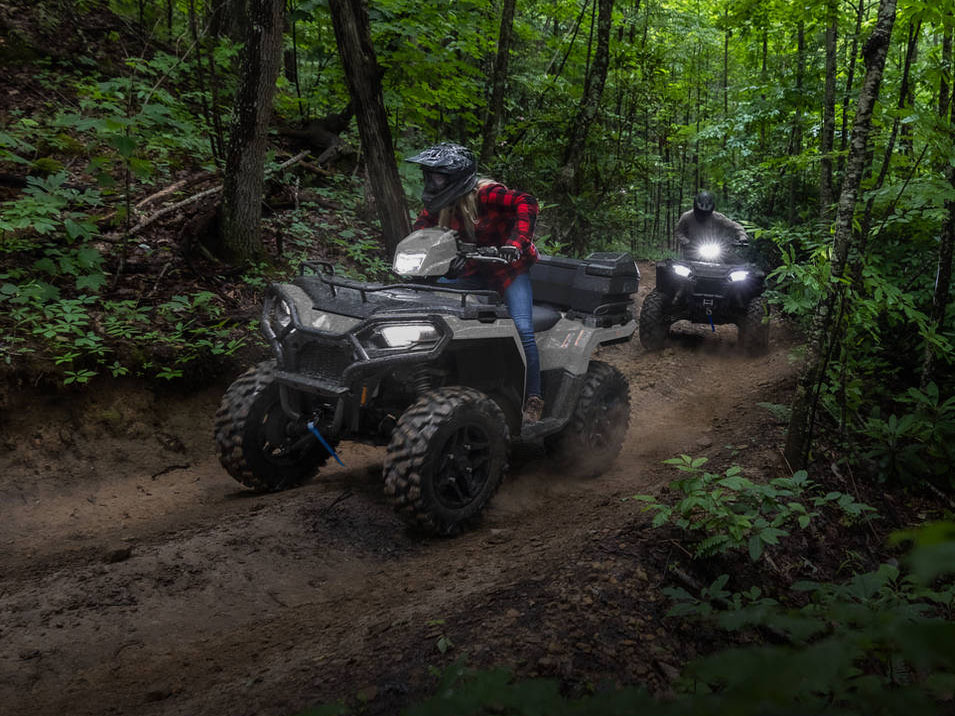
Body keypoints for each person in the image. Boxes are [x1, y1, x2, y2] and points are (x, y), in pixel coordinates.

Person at [405, 142, 544, 424]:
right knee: (426, 306)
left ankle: (533, 398)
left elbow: (527, 202)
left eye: (439, 176)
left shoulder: (486, 193)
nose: (432, 182)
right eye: (429, 176)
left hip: (509, 271)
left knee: (522, 328)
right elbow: (421, 231)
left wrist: (515, 243)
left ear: (456, 176)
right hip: (471, 272)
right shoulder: (439, 204)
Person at [674, 190, 748, 260]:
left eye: (706, 213)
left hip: (714, 252)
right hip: (691, 252)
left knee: (731, 266)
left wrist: (742, 236)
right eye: (700, 212)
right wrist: (686, 241)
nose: (703, 215)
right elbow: (678, 231)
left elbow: (734, 226)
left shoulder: (717, 217)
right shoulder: (687, 217)